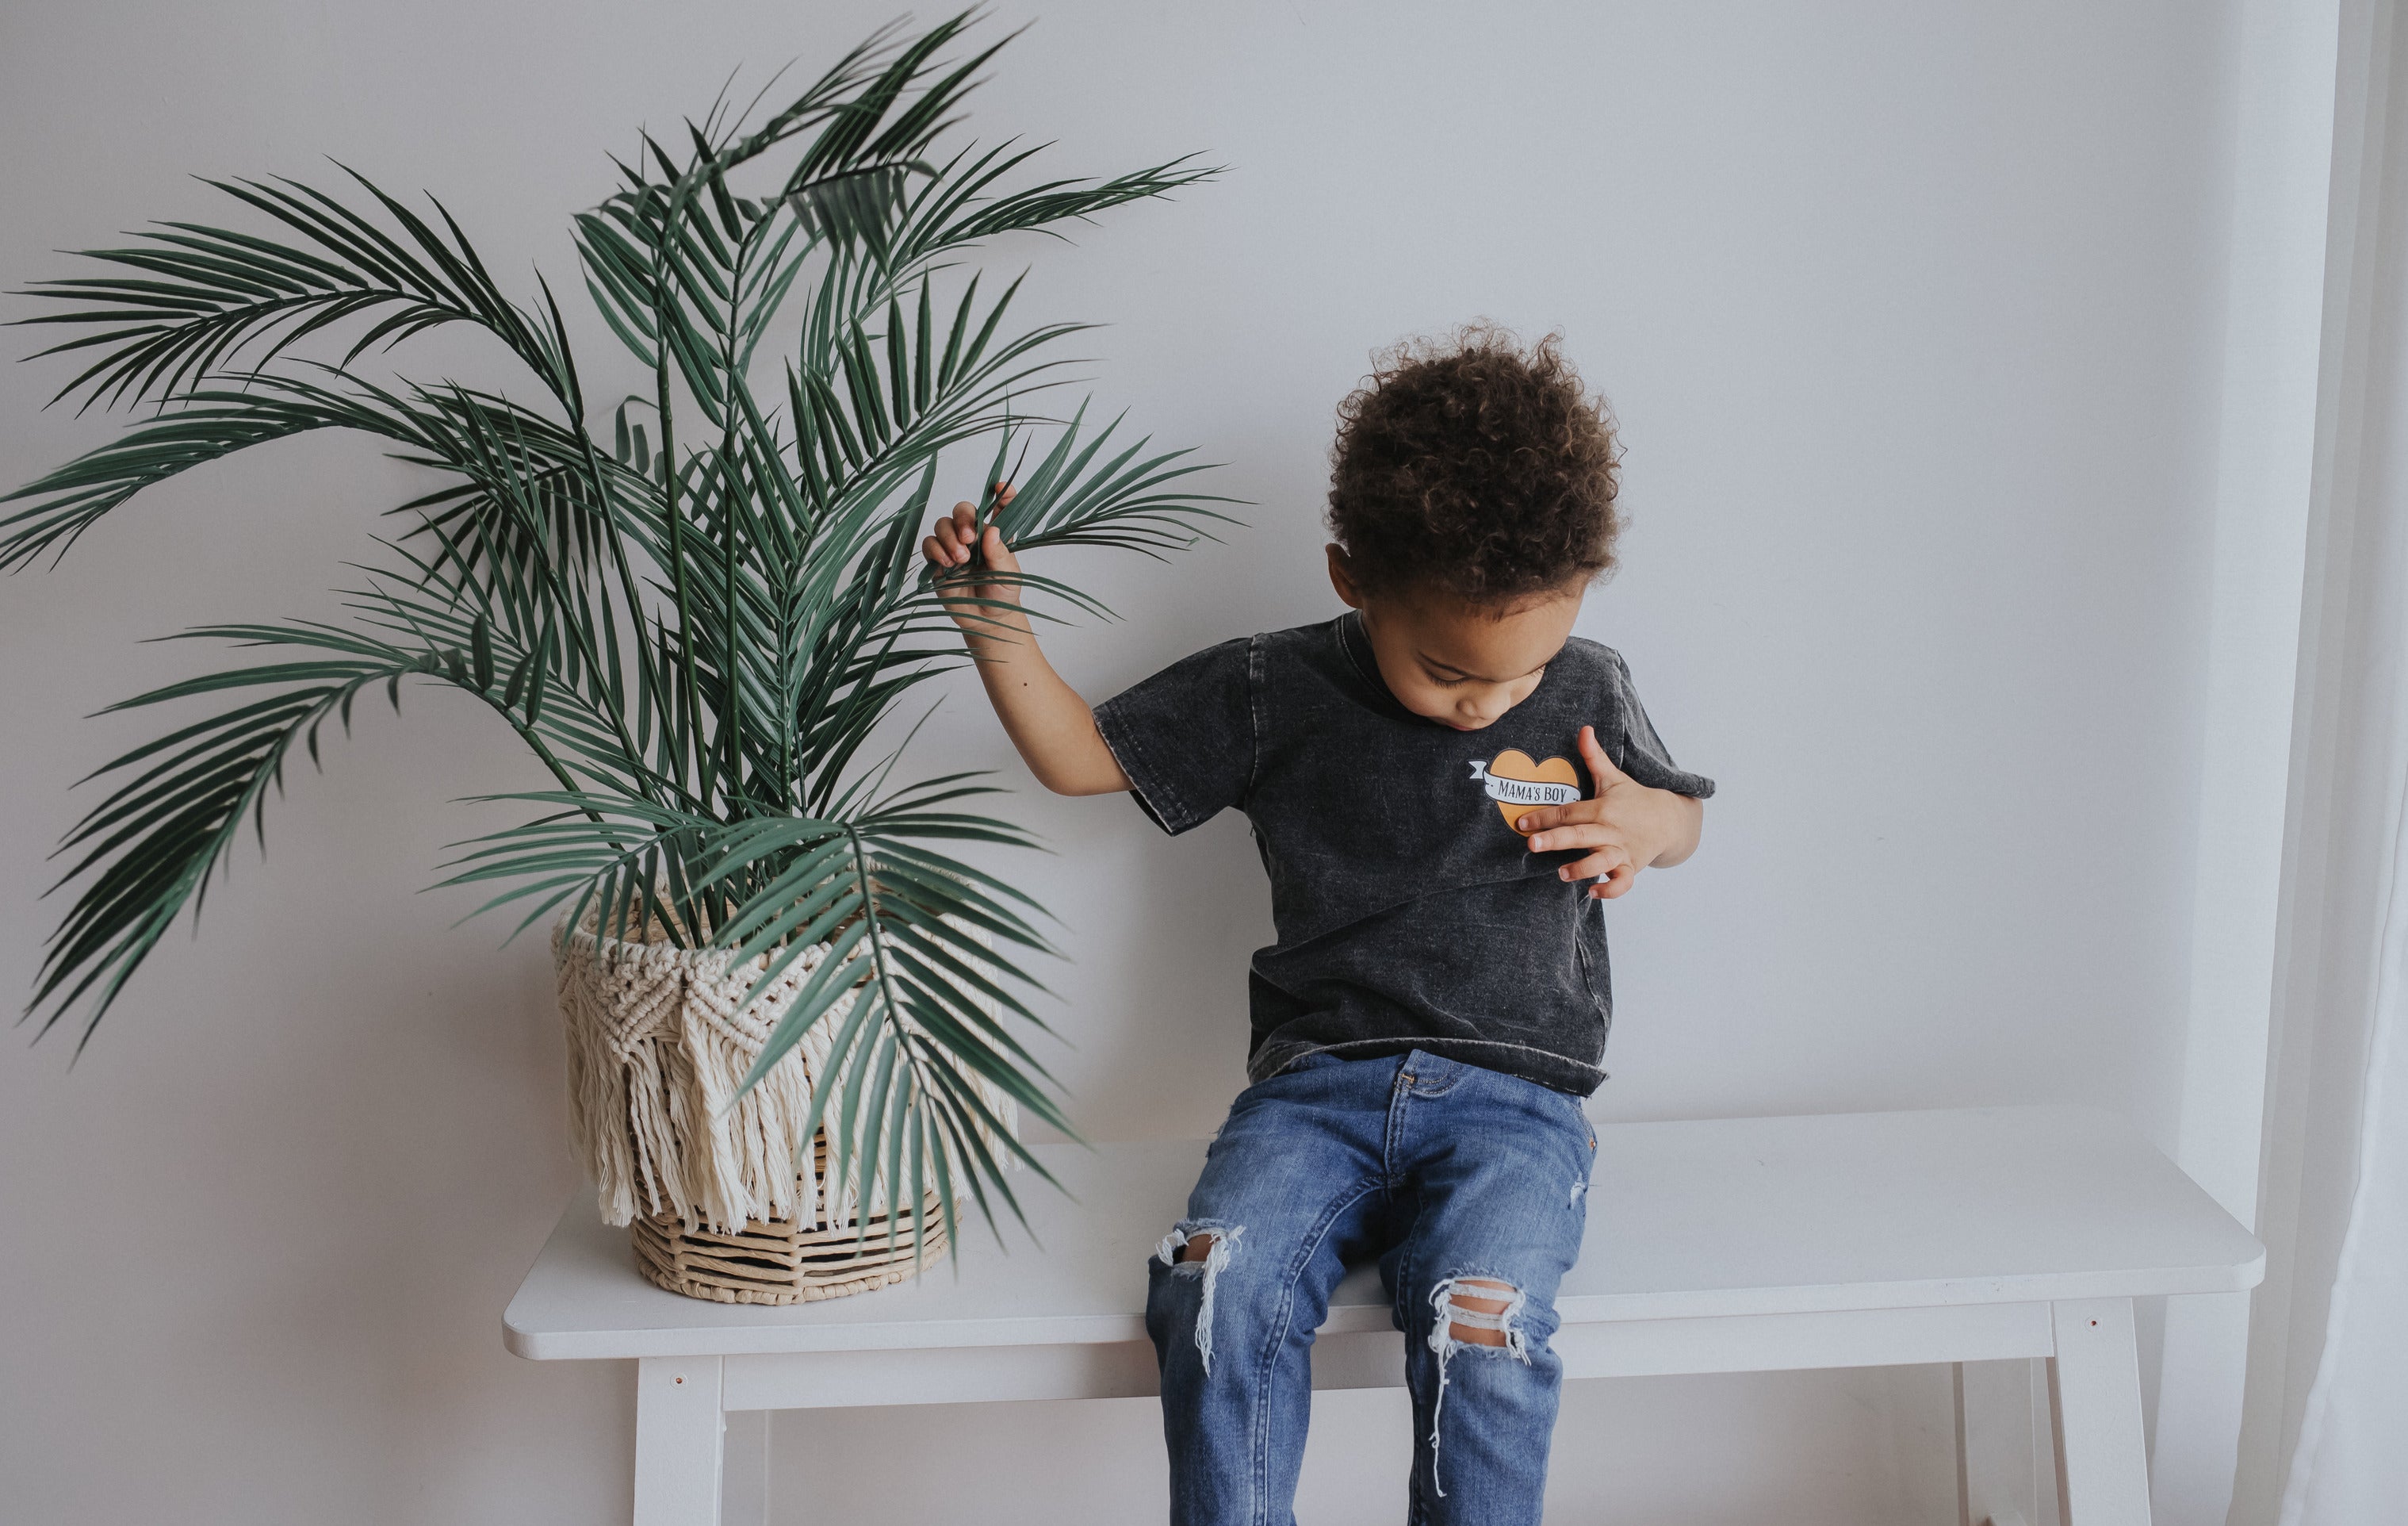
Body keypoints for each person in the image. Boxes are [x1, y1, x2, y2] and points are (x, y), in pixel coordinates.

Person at [921, 325, 1713, 1525]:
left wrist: (1646, 827)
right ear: (1352, 580)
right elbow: (1083, 759)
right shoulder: (1272, 686)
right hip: (1314, 1093)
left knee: (1482, 1322)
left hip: (1515, 1105)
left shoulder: (1588, 682)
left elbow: (1681, 819)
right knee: (1214, 1287)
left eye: (1515, 674)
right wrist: (993, 624)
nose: (1484, 705)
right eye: (1448, 671)